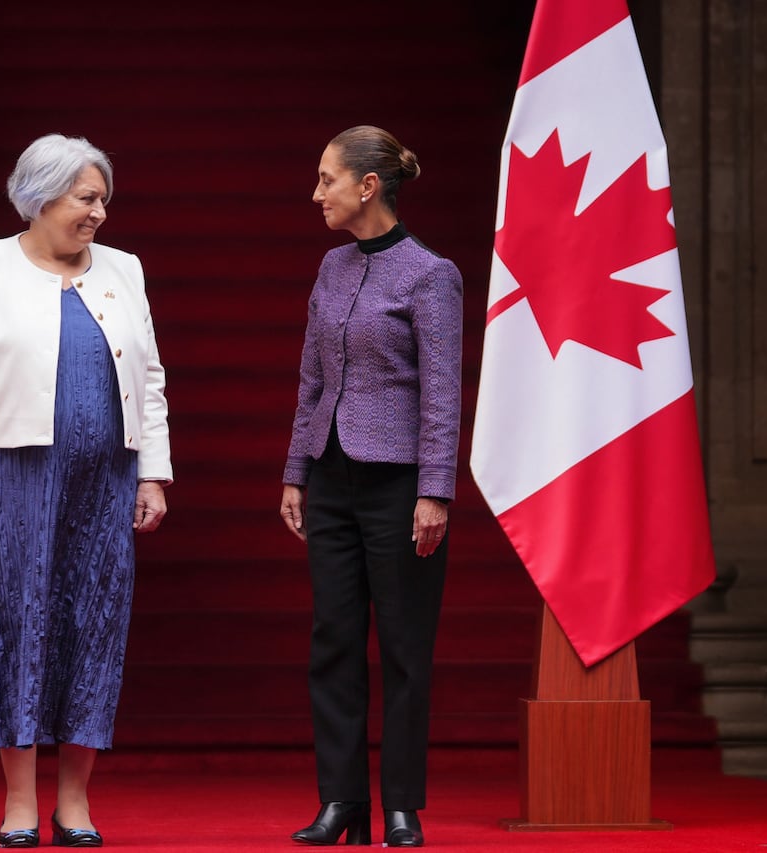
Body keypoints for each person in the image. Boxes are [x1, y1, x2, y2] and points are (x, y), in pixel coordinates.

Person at [0, 133, 172, 849]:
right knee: (17, 625)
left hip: (106, 479)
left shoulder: (124, 268)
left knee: (93, 625)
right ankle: (18, 801)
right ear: (39, 198)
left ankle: (74, 801)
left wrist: (153, 470)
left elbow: (149, 378)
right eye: (85, 198)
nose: (98, 212)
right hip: (13, 478)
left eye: (103, 199)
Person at [279, 126, 463, 848]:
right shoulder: (331, 267)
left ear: (368, 186)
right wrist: (297, 470)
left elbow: (443, 392)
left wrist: (435, 490)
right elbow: (311, 377)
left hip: (398, 487)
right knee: (334, 639)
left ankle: (401, 805)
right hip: (331, 476)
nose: (316, 192)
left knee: (406, 647)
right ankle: (340, 801)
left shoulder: (429, 273)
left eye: (327, 179)